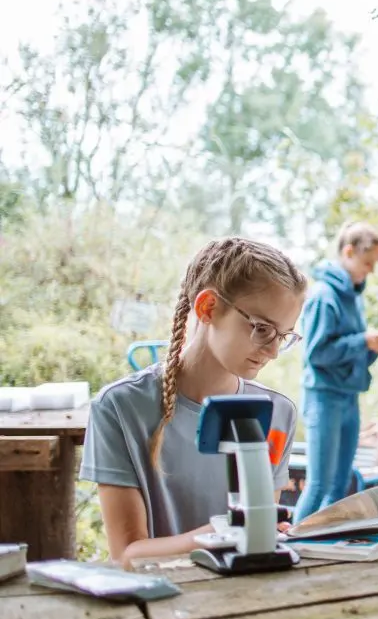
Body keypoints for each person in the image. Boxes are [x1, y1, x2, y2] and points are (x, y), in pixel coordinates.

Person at [80, 238, 307, 569]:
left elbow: (260, 538)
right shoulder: (119, 408)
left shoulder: (278, 414)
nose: (272, 351)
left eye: (284, 336)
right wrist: (223, 532)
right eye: (261, 329)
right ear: (208, 308)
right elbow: (126, 554)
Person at [294, 223, 378, 522]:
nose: (371, 270)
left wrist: (372, 349)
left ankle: (325, 547)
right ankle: (291, 546)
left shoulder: (355, 298)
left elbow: (351, 356)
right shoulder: (323, 296)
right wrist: (362, 340)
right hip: (324, 398)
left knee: (340, 485)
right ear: (348, 252)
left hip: (349, 397)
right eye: (368, 263)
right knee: (319, 484)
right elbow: (317, 353)